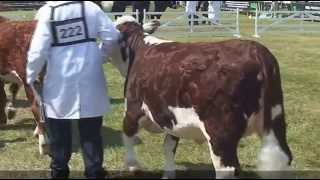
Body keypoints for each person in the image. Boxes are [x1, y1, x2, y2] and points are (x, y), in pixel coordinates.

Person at [26, 1, 120, 178]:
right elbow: (113, 37)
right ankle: (94, 172)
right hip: (90, 79)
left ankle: (59, 171)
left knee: (59, 133)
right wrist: (101, 56)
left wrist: (30, 75)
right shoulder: (91, 8)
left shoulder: (47, 12)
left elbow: (37, 51)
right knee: (91, 133)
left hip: (59, 82)